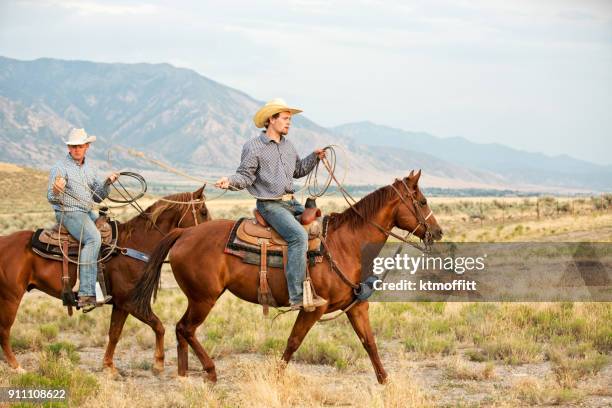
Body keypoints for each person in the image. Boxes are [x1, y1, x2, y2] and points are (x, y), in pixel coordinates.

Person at [215, 98, 327, 310]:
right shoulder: (254, 147)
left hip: (291, 203)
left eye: (289, 119)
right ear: (271, 119)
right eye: (285, 119)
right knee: (298, 236)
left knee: (321, 228)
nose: (289, 123)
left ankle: (319, 282)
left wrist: (315, 157)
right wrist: (229, 181)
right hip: (270, 205)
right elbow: (245, 176)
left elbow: (298, 171)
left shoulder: (288, 146)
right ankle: (297, 296)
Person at [47, 128, 118, 311]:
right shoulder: (60, 167)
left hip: (86, 211)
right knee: (93, 239)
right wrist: (56, 190)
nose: (76, 149)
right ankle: (86, 293)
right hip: (68, 212)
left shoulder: (90, 168)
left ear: (87, 146)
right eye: (72, 146)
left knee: (110, 229)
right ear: (69, 148)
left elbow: (98, 197)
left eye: (79, 146)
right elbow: (51, 196)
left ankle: (102, 285)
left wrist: (107, 184)